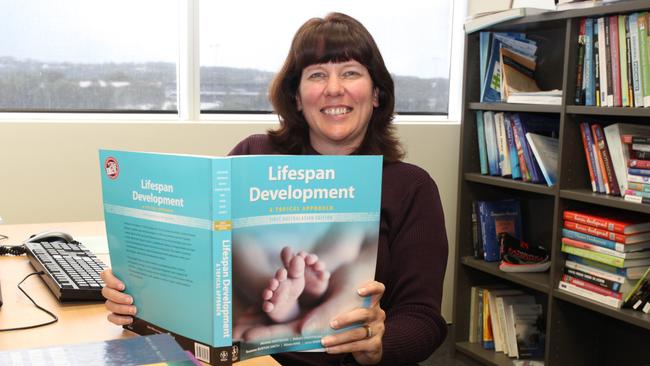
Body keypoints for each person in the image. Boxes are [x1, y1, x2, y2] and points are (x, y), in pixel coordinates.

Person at [102, 12, 448, 365]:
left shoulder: (411, 187)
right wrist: (138, 295)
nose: (333, 88)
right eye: (316, 75)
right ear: (297, 97)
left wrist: (379, 342)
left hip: (342, 361)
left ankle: (305, 302)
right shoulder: (253, 155)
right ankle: (291, 305)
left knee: (346, 257)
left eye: (350, 72)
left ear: (376, 94)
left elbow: (423, 318)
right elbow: (203, 264)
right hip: (247, 359)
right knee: (249, 255)